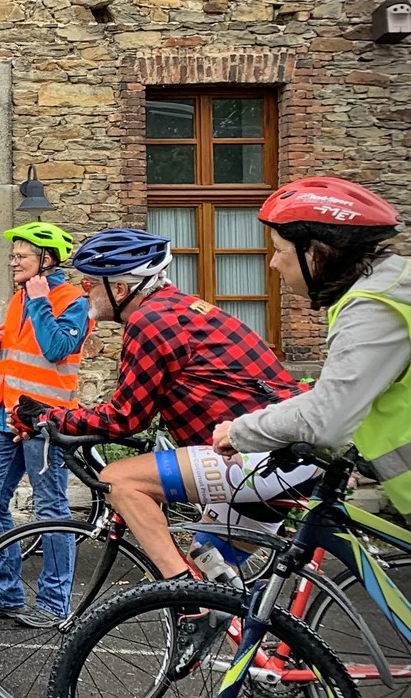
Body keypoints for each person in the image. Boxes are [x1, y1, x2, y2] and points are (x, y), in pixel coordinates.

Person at [18, 228, 308, 587]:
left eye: (90, 282)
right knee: (215, 582)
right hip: (282, 457)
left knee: (118, 480)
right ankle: (228, 623)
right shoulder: (180, 307)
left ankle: (177, 591)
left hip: (255, 456)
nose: (83, 289)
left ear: (120, 289)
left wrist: (47, 417)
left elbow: (125, 418)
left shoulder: (151, 320)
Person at [214, 178, 411, 532]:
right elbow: (332, 396)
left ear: (315, 252)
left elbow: (325, 421)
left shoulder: (374, 307)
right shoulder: (397, 288)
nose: (273, 264)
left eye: (279, 249)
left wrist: (240, 433)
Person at [0, 223, 89, 628]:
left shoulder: (73, 299)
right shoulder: (21, 297)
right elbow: (20, 354)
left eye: (21, 255)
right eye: (14, 254)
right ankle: (6, 592)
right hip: (8, 417)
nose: (13, 260)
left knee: (50, 510)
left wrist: (38, 301)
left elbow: (57, 350)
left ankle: (55, 603)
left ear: (47, 260)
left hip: (48, 422)